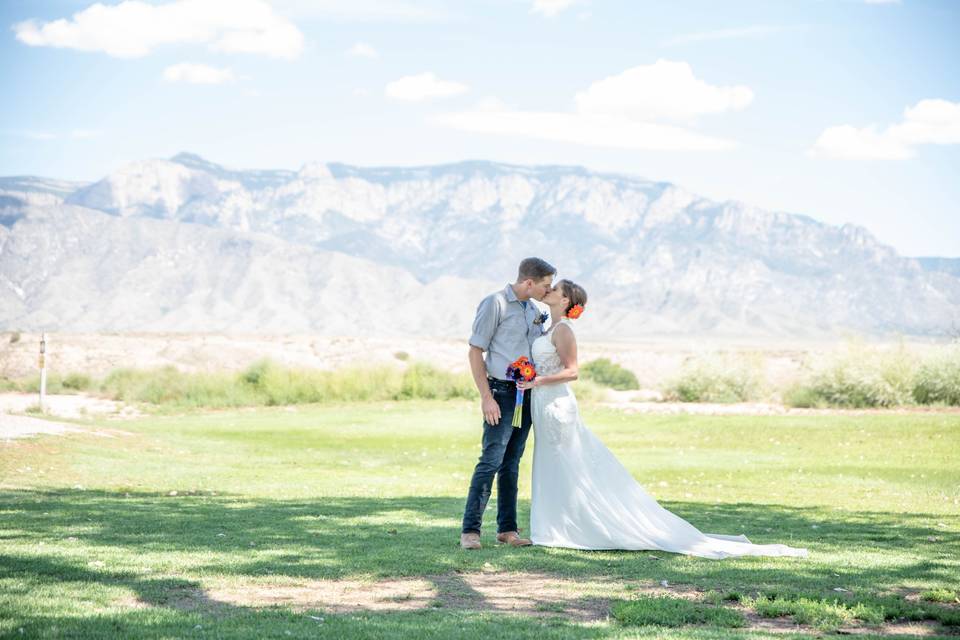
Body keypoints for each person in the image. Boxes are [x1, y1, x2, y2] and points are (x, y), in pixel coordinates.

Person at [518, 279, 808, 559]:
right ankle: (558, 526)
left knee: (567, 463)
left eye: (554, 289)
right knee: (552, 463)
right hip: (542, 402)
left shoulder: (564, 331)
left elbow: (573, 372)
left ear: (565, 299)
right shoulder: (548, 327)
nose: (549, 290)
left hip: (556, 404)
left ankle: (574, 528)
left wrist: (538, 381)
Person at [460, 257, 556, 550]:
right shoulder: (495, 303)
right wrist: (486, 397)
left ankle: (507, 529)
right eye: (545, 285)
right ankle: (470, 531)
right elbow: (476, 351)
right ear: (529, 282)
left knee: (512, 463)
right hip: (500, 393)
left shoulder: (536, 311)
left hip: (526, 395)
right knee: (491, 460)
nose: (547, 291)